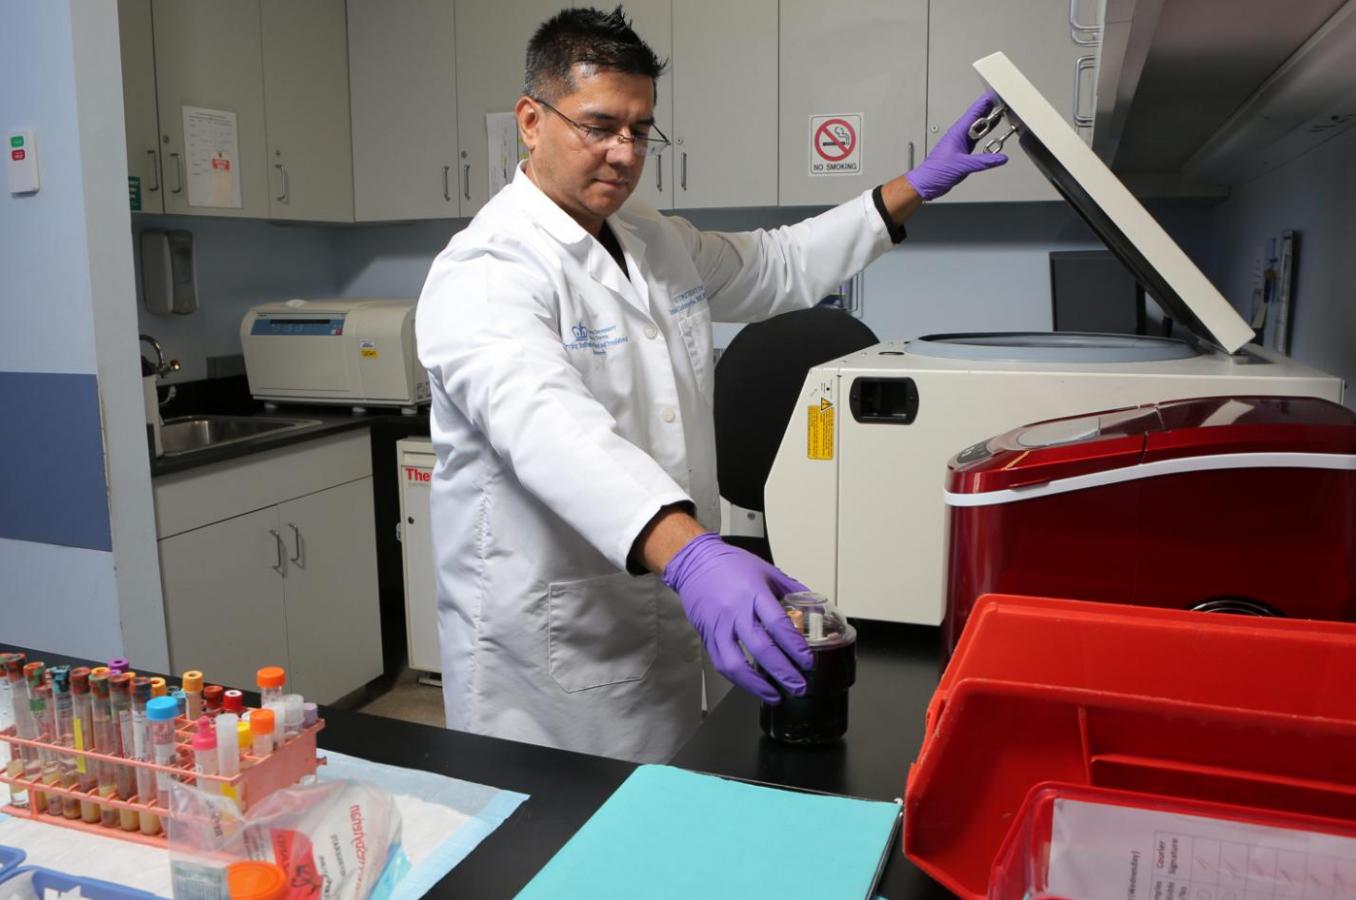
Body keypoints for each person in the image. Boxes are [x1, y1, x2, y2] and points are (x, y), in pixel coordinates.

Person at [416, 6, 1005, 762]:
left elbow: (775, 265)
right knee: (558, 826)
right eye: (599, 126)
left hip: (655, 610)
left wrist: (911, 188)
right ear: (531, 121)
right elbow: (551, 431)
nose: (624, 153)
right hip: (548, 651)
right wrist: (693, 554)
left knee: (658, 803)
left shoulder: (650, 236)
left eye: (640, 130)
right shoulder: (487, 270)